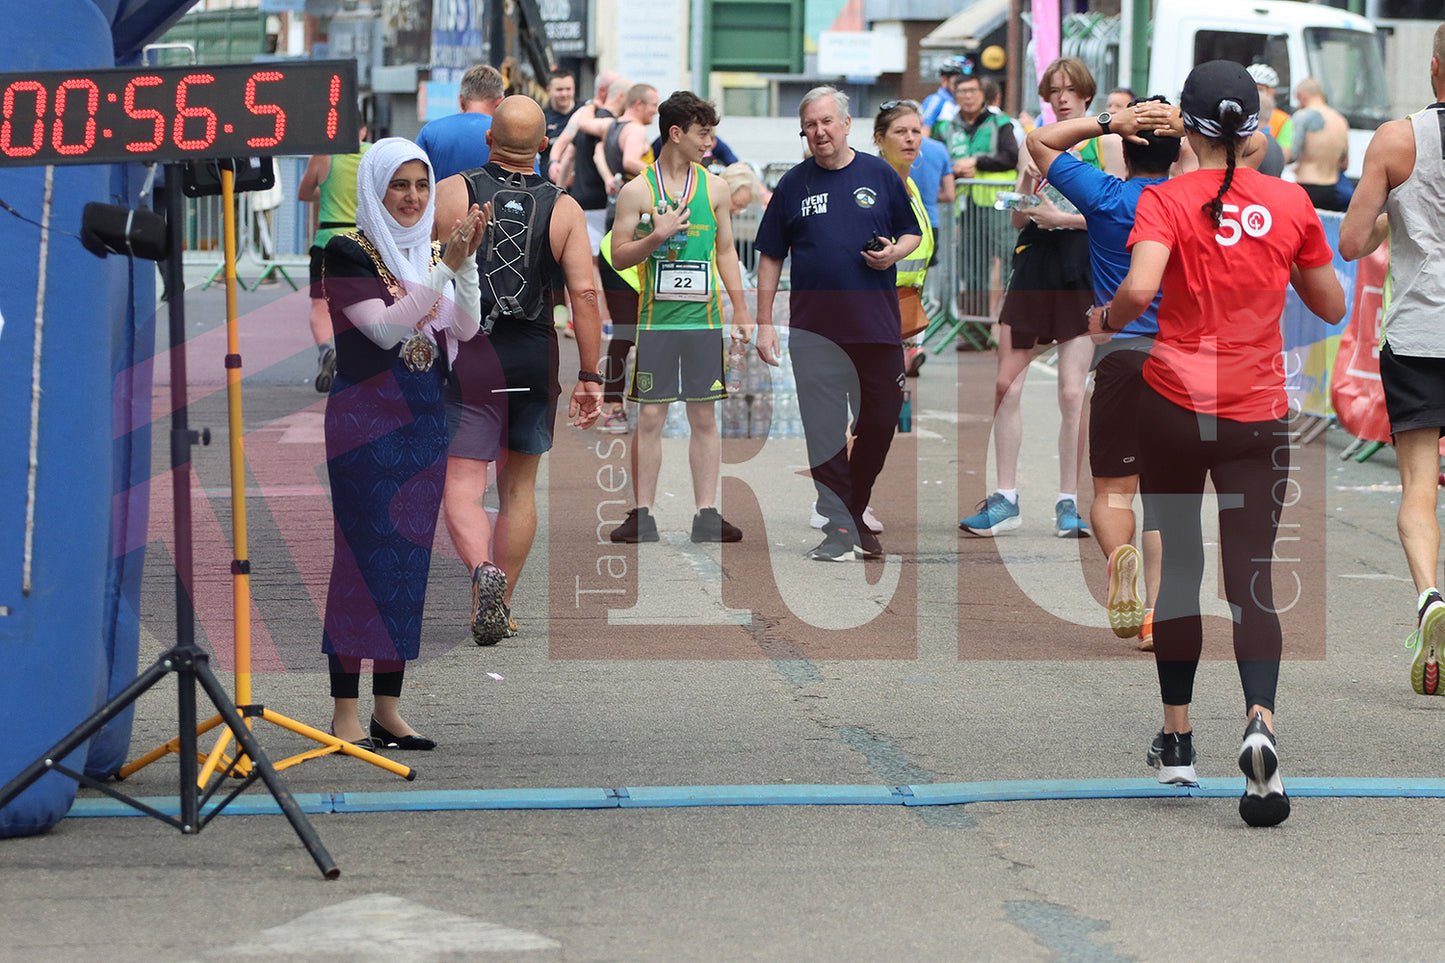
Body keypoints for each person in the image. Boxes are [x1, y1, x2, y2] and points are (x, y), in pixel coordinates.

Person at [1093, 60, 1344, 826]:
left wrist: (1108, 318)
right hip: (1256, 410)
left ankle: (1177, 741)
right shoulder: (1289, 200)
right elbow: (1330, 305)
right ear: (1253, 129)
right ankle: (1259, 721)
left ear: (1185, 128)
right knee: (1251, 579)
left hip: (1174, 403)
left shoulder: (1166, 198)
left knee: (1180, 568)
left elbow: (1139, 290)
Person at [320, 138, 485, 748]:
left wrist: (462, 263)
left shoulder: (430, 253)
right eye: (400, 185)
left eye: (422, 185)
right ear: (376, 188)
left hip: (421, 419)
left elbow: (463, 326)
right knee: (362, 559)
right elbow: (387, 330)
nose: (413, 198)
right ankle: (344, 714)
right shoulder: (346, 252)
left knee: (408, 562)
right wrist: (446, 267)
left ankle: (388, 708)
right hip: (365, 422)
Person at [435, 96, 605, 643]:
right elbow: (582, 292)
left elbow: (423, 272)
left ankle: (480, 574)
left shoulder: (453, 192)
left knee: (462, 482)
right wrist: (591, 375)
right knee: (519, 488)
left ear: (489, 140)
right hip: (531, 356)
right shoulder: (565, 208)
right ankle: (501, 604)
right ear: (544, 145)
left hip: (467, 353)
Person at [1025, 95, 1182, 648]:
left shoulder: (1105, 194)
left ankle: (1120, 558)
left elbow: (1039, 140)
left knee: (1113, 491)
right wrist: (1183, 123)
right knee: (1168, 497)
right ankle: (1155, 620)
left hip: (1120, 353)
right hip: (1182, 359)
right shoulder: (1194, 199)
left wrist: (1109, 120)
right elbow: (1251, 145)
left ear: (1127, 143)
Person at [753, 86, 921, 561]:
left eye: (827, 122)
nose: (819, 132)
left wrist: (892, 254)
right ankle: (841, 529)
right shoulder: (793, 184)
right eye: (810, 125)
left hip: (876, 328)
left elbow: (911, 231)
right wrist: (765, 323)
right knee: (824, 431)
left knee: (881, 421)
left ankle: (853, 506)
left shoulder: (879, 173)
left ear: (846, 125)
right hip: (815, 332)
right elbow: (770, 256)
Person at [1340, 23, 1445, 697]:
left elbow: (1350, 241)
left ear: (1434, 68)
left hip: (1416, 329)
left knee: (1416, 488)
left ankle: (1430, 596)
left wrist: (1389, 218)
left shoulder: (1396, 138)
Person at [959, 57, 1098, 539]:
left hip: (1081, 270)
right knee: (1006, 385)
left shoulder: (1106, 144)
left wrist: (1067, 219)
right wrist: (1024, 184)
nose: (1060, 97)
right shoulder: (1034, 139)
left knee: (1072, 391)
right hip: (1034, 265)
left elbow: (1121, 212)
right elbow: (1019, 218)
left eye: (1069, 90)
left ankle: (1068, 502)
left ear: (1085, 96)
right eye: (1053, 90)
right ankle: (1005, 497)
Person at [605, 91, 753, 544]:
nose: (709, 142)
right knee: (649, 418)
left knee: (704, 419)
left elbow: (726, 250)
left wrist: (741, 309)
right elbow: (616, 254)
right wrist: (657, 237)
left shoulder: (715, 188)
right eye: (702, 133)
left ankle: (706, 513)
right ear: (676, 133)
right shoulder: (638, 190)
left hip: (704, 322)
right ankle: (642, 514)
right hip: (656, 323)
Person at [937, 70, 1018, 320]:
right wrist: (954, 168)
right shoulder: (946, 127)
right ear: (954, 95)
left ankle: (1010, 321)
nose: (968, 96)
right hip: (964, 206)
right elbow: (938, 161)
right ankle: (975, 327)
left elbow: (1011, 157)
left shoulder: (1000, 123)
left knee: (1008, 260)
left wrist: (978, 162)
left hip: (998, 204)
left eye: (973, 91)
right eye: (962, 91)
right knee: (971, 267)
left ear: (983, 95)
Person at [298, 127, 370, 393]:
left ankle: (326, 351)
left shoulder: (323, 155)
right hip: (363, 240)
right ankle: (358, 366)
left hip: (327, 239)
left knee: (320, 307)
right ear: (362, 129)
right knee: (364, 304)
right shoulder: (375, 154)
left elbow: (304, 193)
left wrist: (327, 194)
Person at [905, 122, 955, 376]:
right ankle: (915, 346)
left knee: (893, 291)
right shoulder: (939, 149)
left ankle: (904, 349)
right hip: (928, 225)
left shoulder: (890, 153)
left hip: (899, 227)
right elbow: (950, 194)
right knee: (918, 292)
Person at [414, 64, 506, 182]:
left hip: (442, 200)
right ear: (500, 103)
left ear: (461, 101)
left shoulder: (430, 132)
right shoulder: (509, 134)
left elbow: (413, 177)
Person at [1289, 77, 1349, 211]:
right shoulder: (1341, 120)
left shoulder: (1302, 116)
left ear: (1302, 96)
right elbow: (1344, 163)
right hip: (1332, 188)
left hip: (1307, 185)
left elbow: (1292, 154)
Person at [1246, 62, 1293, 177]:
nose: (1256, 93)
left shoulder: (1282, 120)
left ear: (1271, 92)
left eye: (1260, 89)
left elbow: (1283, 157)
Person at [540, 69, 577, 174]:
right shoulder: (542, 118)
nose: (564, 94)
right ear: (549, 90)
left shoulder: (585, 112)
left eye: (568, 89)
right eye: (559, 90)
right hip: (549, 181)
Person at [921, 57, 966, 138]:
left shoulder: (964, 102)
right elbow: (924, 132)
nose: (962, 85)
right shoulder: (936, 100)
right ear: (944, 80)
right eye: (957, 81)